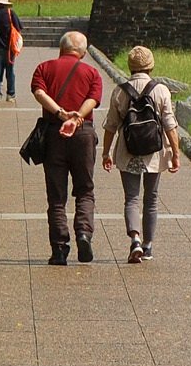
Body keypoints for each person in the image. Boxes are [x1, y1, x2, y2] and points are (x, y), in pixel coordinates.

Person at [101, 45, 181, 264]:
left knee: (131, 199)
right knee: (151, 200)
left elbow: (110, 126)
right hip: (154, 152)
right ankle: (147, 246)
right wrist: (175, 152)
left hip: (128, 151)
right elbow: (169, 124)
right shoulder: (161, 90)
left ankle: (134, 239)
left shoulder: (120, 90)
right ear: (151, 65)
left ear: (130, 66)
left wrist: (106, 153)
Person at [29, 30, 103, 264]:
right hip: (83, 135)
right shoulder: (92, 72)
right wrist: (77, 117)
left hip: (53, 134)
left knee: (56, 196)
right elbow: (93, 99)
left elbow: (39, 92)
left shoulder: (44, 68)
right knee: (85, 190)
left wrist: (61, 114)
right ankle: (83, 233)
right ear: (82, 52)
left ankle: (59, 248)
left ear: (61, 48)